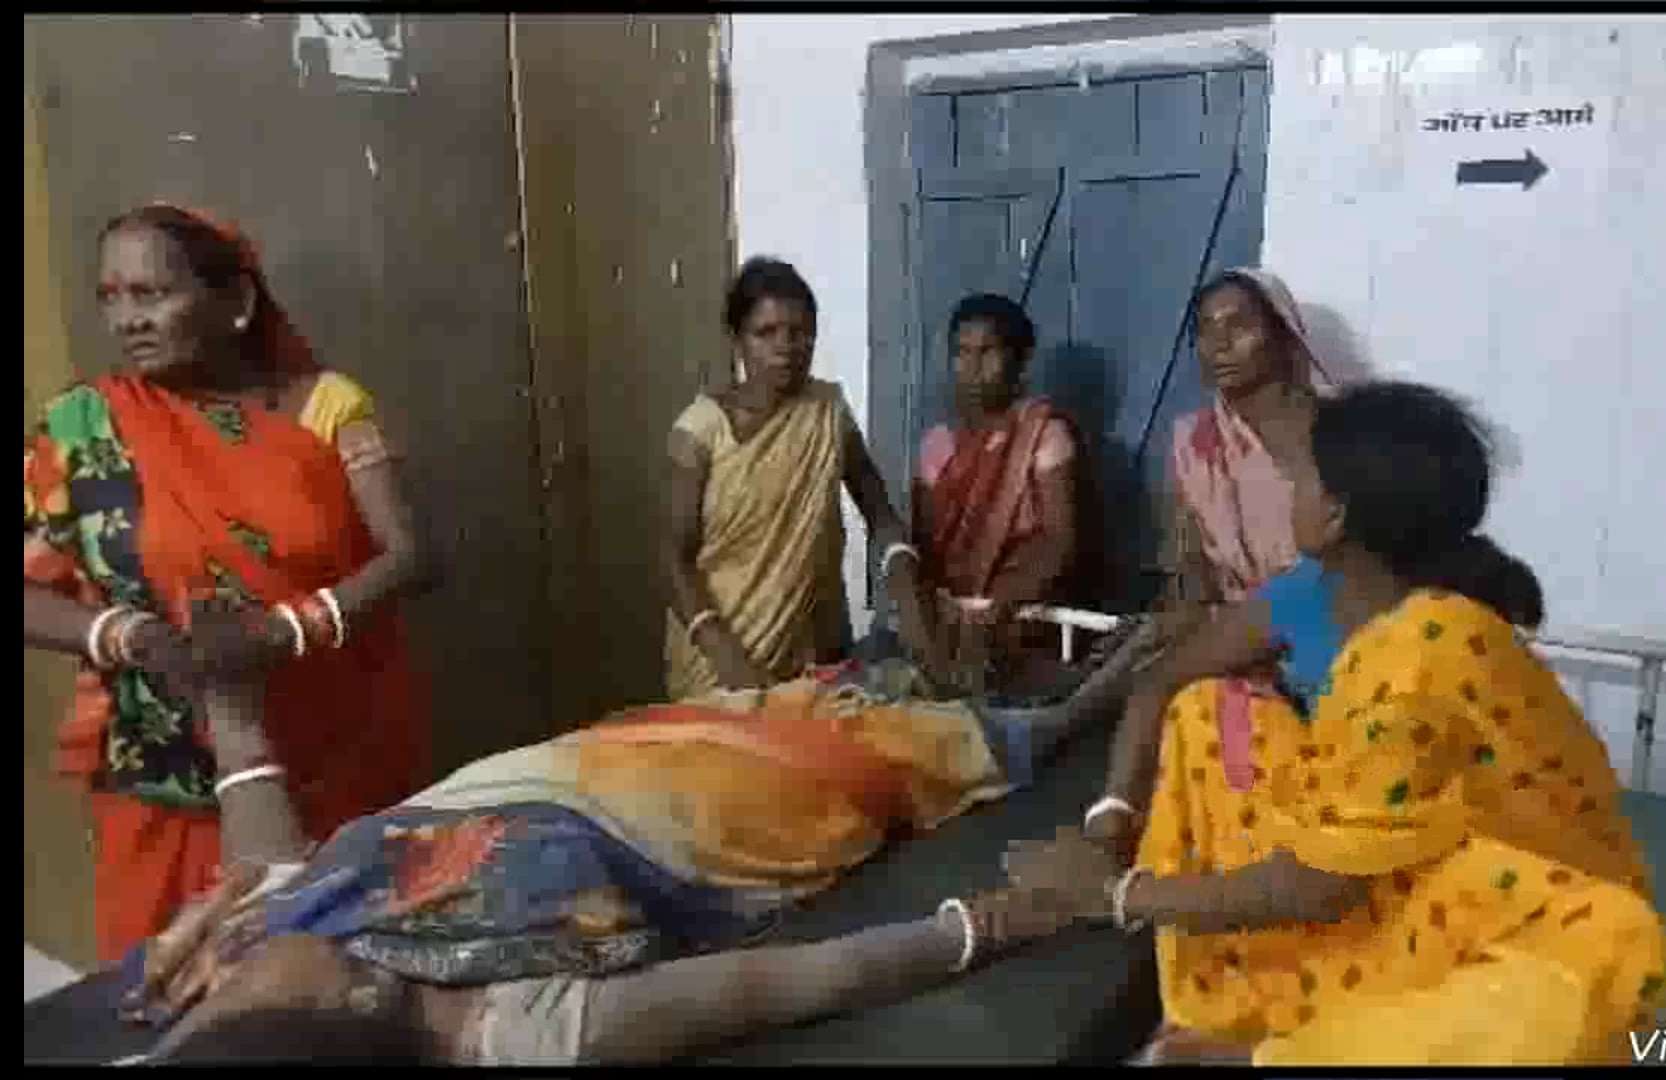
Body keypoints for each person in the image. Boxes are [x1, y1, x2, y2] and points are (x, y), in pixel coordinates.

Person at [1006, 381, 1666, 1065]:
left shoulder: (1420, 655)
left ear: (1334, 517)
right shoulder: (1368, 616)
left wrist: (1111, 896)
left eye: (1302, 476)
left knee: (1554, 1005)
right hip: (1413, 874)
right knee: (1208, 710)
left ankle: (1276, 1048)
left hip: (1536, 917)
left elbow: (1315, 887)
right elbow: (1172, 685)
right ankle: (1267, 1004)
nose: (1288, 488)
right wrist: (1112, 824)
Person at [112, 632, 1156, 1064]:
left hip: (596, 757)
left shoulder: (296, 934)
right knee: (904, 750)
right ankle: (1081, 706)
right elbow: (789, 984)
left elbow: (270, 855)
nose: (231, 959)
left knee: (786, 698)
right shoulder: (508, 1026)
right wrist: (996, 924)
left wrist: (231, 708)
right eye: (240, 981)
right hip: (706, 815)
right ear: (354, 1004)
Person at [22, 203, 435, 963]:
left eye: (151, 294)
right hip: (165, 777)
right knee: (169, 981)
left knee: (331, 977)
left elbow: (412, 556)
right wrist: (127, 635)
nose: (127, 320)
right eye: (111, 297)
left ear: (237, 302)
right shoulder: (83, 428)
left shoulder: (325, 407)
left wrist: (288, 630)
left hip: (333, 756)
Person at [665, 257, 946, 700]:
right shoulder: (701, 431)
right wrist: (725, 655)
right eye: (766, 333)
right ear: (737, 339)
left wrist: (905, 587)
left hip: (816, 657)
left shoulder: (827, 411)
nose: (786, 347)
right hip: (721, 666)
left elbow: (880, 515)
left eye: (799, 332)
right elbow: (675, 558)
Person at [912, 293, 1085, 691]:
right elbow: (924, 548)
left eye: (987, 352)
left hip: (1023, 620)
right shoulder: (937, 444)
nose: (972, 368)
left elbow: (1058, 541)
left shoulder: (1043, 434)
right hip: (951, 623)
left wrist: (998, 608)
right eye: (962, 353)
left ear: (1019, 361)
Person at [1162, 267, 1334, 629]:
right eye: (1205, 329)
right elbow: (1189, 558)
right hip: (1231, 631)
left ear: (1283, 334)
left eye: (1238, 325)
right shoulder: (1193, 441)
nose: (1219, 344)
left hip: (1326, 627)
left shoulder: (1335, 431)